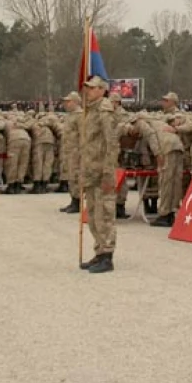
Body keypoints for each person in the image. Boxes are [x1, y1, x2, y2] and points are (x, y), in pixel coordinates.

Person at [78, 76, 120, 273]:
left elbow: (111, 143)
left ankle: (107, 255)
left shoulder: (104, 109)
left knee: (105, 214)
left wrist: (108, 172)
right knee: (94, 215)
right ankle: (99, 251)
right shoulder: (90, 110)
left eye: (93, 88)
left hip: (102, 171)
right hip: (91, 170)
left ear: (103, 90)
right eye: (87, 88)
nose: (89, 91)